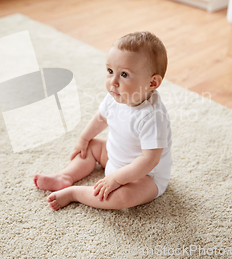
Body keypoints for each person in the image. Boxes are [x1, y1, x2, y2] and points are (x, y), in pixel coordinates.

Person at [33, 31, 172, 210]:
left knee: (123, 198)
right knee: (90, 147)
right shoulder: (116, 96)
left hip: (145, 176)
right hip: (114, 155)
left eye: (124, 75)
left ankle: (75, 193)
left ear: (152, 83)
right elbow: (101, 118)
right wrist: (84, 138)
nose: (113, 81)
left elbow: (149, 160)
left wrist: (116, 178)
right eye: (110, 71)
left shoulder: (152, 117)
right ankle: (65, 176)